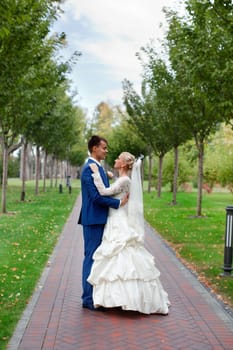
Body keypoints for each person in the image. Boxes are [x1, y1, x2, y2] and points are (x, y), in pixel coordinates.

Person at [87, 152, 171, 314]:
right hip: (116, 216)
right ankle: (117, 299)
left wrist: (97, 174)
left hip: (118, 219)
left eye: (119, 158)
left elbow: (104, 192)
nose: (116, 160)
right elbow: (116, 189)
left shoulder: (125, 180)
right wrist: (109, 175)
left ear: (124, 164)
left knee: (120, 255)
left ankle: (124, 299)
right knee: (117, 255)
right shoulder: (123, 179)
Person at [78, 135, 129, 311]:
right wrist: (118, 203)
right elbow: (96, 197)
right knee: (91, 257)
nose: (106, 151)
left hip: (101, 219)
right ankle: (87, 298)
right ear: (94, 148)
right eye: (104, 148)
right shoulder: (88, 170)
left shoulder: (98, 168)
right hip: (93, 220)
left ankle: (96, 295)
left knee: (97, 258)